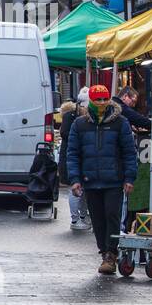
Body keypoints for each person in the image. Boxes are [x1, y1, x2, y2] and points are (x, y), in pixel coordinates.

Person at [67, 84, 138, 275]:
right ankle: (103, 251)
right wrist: (75, 179)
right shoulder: (79, 125)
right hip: (90, 181)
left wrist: (129, 178)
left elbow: (129, 152)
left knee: (112, 217)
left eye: (104, 99)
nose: (101, 102)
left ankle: (111, 254)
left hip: (113, 180)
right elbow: (73, 154)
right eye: (97, 99)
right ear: (90, 100)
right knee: (97, 220)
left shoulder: (120, 123)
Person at [57, 96, 91, 231]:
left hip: (77, 157)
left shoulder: (76, 116)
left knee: (81, 190)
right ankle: (75, 219)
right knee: (75, 189)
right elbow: (65, 134)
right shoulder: (72, 117)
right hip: (72, 158)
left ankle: (82, 217)